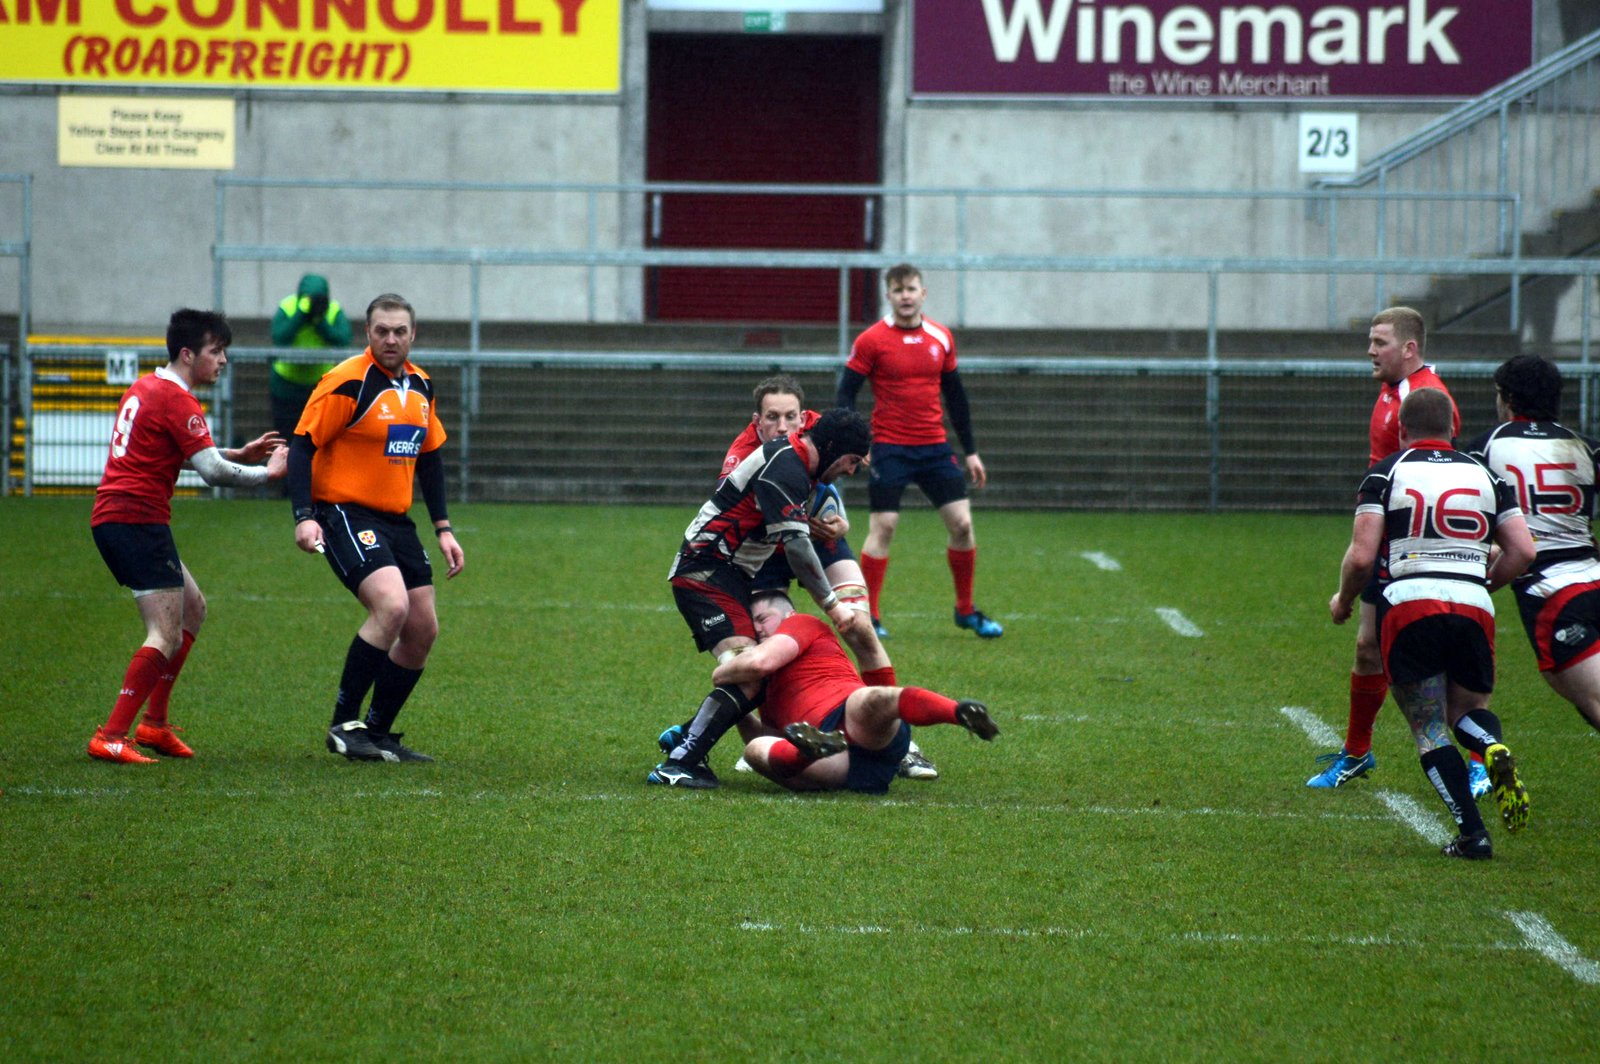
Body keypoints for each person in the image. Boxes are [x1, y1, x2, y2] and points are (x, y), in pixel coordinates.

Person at [700, 374, 940, 780]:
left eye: (791, 417)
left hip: (816, 538)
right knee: (768, 644)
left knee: (858, 623)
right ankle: (777, 736)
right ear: (756, 421)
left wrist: (839, 519)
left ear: (804, 417)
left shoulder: (819, 428)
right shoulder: (741, 458)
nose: (782, 426)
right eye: (772, 417)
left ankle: (899, 740)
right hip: (765, 550)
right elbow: (745, 518)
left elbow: (839, 461)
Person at [1329, 387, 1534, 857]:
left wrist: (1343, 600)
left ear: (1401, 430)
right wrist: (1481, 584)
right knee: (1464, 713)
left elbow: (1361, 557)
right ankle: (1489, 745)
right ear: (1453, 428)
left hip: (1409, 604)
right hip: (1472, 603)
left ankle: (1473, 835)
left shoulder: (1386, 471)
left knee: (1430, 728)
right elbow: (1523, 551)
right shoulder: (1486, 474)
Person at [87, 309, 287, 763]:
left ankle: (154, 725)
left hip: (122, 518)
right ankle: (112, 735)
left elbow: (169, 451)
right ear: (187, 354)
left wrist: (237, 453)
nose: (223, 361)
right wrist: (268, 474)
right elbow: (213, 472)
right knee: (164, 632)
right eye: (216, 351)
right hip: (136, 520)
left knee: (192, 609)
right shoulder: (178, 400)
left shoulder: (146, 387)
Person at [1306, 306, 1489, 797]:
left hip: (1413, 546)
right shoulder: (1394, 388)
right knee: (1368, 648)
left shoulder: (1422, 396)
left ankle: (1478, 762)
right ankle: (1356, 752)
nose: (1370, 350)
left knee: (1443, 654)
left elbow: (1440, 464)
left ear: (1409, 348)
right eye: (1370, 340)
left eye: (1380, 342)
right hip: (1387, 541)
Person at [649, 407, 872, 788]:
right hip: (707, 573)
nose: (851, 471)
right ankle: (679, 762)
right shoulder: (786, 469)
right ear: (833, 449)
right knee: (751, 672)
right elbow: (798, 549)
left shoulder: (798, 461)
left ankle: (687, 736)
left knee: (757, 673)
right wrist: (833, 606)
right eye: (852, 460)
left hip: (728, 575)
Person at [288, 293, 464, 763]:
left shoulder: (421, 386)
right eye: (381, 330)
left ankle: (379, 732)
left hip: (397, 520)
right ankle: (344, 725)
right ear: (367, 333)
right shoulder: (347, 381)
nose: (390, 339)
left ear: (413, 335)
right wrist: (304, 516)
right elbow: (302, 446)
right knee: (392, 605)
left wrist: (444, 528)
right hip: (344, 513)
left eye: (399, 331)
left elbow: (430, 457)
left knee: (422, 628)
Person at [837, 263, 1002, 641]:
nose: (906, 296)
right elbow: (846, 392)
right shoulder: (871, 340)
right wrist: (856, 444)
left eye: (911, 289)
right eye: (898, 290)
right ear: (889, 296)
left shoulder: (941, 337)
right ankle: (870, 616)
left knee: (962, 525)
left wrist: (971, 451)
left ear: (923, 293)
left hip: (934, 447)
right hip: (890, 448)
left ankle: (965, 611)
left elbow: (956, 397)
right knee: (883, 527)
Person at [710, 589, 998, 793]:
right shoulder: (765, 686)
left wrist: (720, 674)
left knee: (870, 699)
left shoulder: (801, 623)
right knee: (755, 749)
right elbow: (772, 738)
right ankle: (810, 749)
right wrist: (738, 712)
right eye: (753, 625)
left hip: (852, 720)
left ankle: (960, 713)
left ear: (789, 613)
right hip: (839, 765)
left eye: (763, 618)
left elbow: (759, 662)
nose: (758, 629)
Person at [1463, 355, 1600, 736]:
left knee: (1592, 701)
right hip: (1593, 577)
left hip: (1552, 593)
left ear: (1508, 397)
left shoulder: (1485, 448)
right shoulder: (1585, 447)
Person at [269, 273, 351, 443]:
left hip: (320, 384)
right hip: (286, 384)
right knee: (285, 436)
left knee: (317, 436)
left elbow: (343, 339)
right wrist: (301, 314)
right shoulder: (288, 306)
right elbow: (279, 337)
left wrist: (319, 321)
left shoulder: (333, 310)